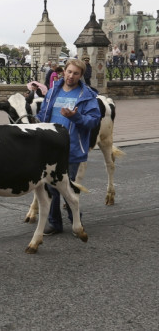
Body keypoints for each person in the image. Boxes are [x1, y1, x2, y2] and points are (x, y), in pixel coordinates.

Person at [37, 59, 101, 235]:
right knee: (50, 186)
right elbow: (43, 115)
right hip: (50, 147)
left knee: (68, 187)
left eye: (76, 73)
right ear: (64, 71)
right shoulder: (52, 92)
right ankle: (54, 223)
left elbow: (94, 121)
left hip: (71, 148)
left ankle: (75, 219)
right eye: (69, 72)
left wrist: (76, 117)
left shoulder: (86, 96)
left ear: (81, 76)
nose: (71, 76)